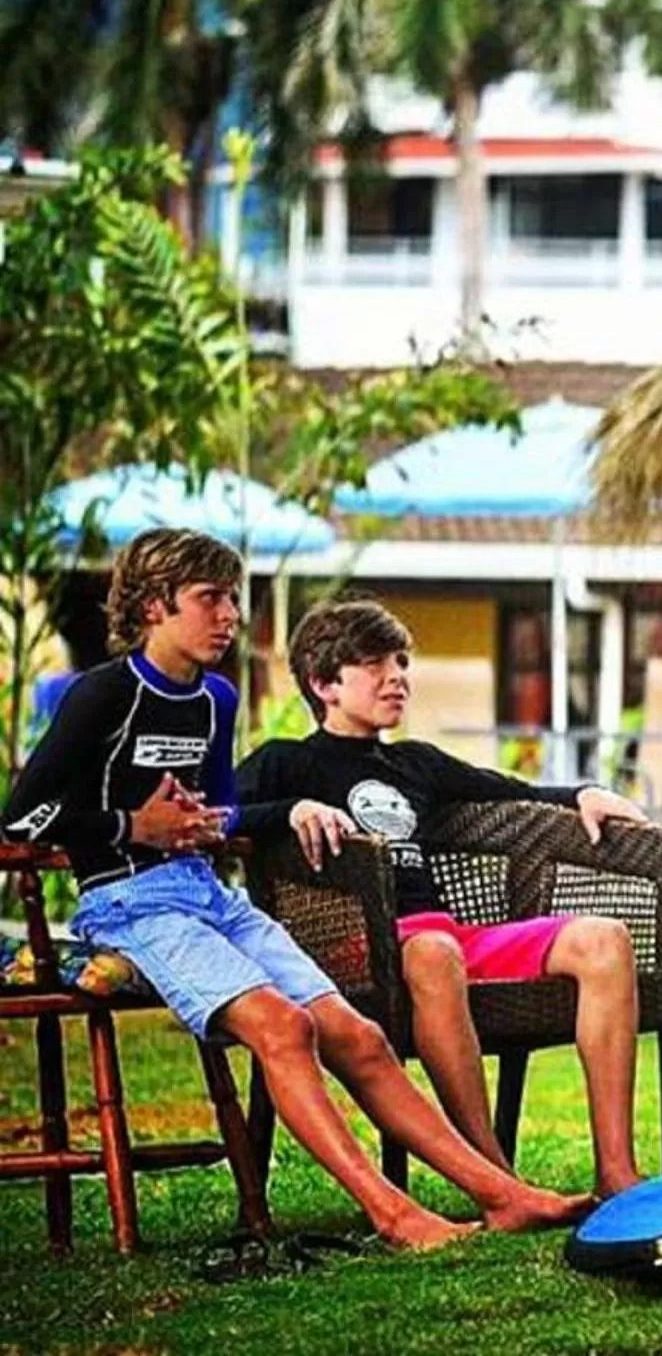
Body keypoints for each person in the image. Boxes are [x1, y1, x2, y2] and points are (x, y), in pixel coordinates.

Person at [1, 530, 588, 1247]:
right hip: (129, 904)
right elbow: (23, 818)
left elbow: (222, 815)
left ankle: (503, 1196)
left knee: (359, 1037)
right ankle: (394, 1214)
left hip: (209, 896)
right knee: (285, 1027)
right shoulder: (103, 694)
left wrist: (229, 821)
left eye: (233, 599)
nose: (231, 616)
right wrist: (135, 824)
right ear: (155, 607)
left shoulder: (215, 700)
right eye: (210, 599)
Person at [237, 597, 652, 1201]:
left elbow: (516, 793)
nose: (397, 676)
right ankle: (497, 1180)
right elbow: (213, 815)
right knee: (433, 951)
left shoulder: (415, 763)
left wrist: (584, 793)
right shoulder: (287, 762)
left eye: (401, 662)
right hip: (359, 948)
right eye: (374, 663)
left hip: (443, 936)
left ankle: (617, 1172)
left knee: (603, 940)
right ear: (324, 683)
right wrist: (290, 810)